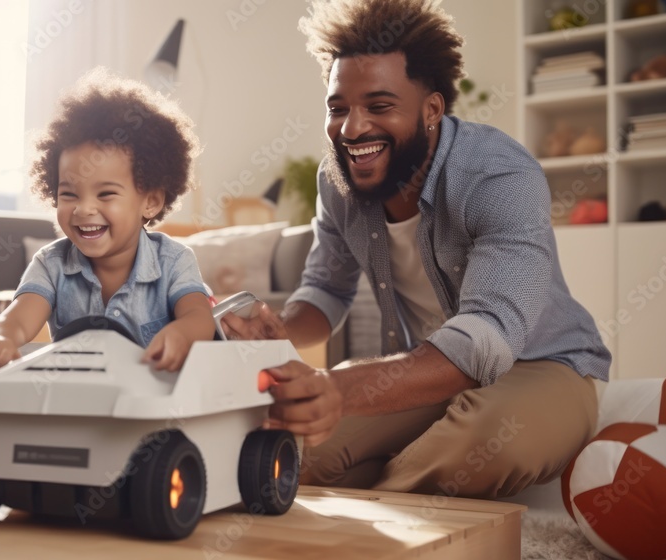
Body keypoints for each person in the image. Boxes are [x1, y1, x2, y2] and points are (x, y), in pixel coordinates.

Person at [222, 0, 611, 500]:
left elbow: (483, 341)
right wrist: (281, 329)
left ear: (431, 109)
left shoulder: (498, 174)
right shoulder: (336, 180)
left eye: (379, 106)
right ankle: (388, 500)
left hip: (543, 364)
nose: (352, 129)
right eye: (338, 108)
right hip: (425, 369)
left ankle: (378, 515)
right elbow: (324, 289)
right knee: (298, 441)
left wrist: (335, 389)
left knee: (484, 444)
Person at [0, 68, 216, 375]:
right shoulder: (51, 264)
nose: (84, 209)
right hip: (74, 406)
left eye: (106, 194)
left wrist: (182, 334)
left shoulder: (174, 261)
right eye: (69, 194)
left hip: (150, 407)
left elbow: (199, 316)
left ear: (150, 201)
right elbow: (18, 317)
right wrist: (0, 337)